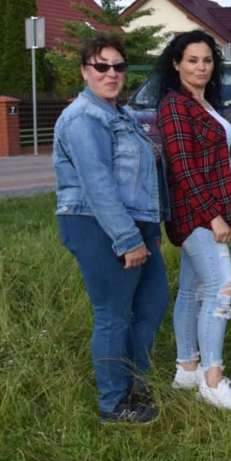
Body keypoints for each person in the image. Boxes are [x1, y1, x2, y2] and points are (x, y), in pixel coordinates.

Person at [53, 35, 170, 425]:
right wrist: (126, 239)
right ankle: (113, 403)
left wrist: (146, 228)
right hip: (95, 223)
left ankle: (134, 383)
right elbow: (98, 184)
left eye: (118, 66)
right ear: (85, 71)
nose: (112, 73)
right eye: (101, 66)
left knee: (151, 304)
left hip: (132, 221)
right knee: (113, 314)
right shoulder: (84, 118)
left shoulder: (120, 115)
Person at [156, 30, 231, 412]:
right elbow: (183, 168)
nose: (201, 67)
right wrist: (213, 215)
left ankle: (186, 368)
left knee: (192, 291)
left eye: (207, 60)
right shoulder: (175, 105)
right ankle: (212, 380)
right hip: (196, 213)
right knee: (222, 287)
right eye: (192, 60)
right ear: (176, 64)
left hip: (207, 210)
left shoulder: (205, 103)